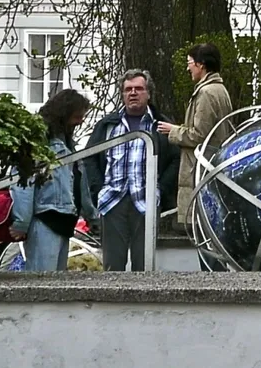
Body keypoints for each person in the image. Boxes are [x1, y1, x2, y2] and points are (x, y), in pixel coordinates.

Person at [82, 69, 178, 271]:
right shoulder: (107, 125)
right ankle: (112, 303)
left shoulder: (161, 125)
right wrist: (99, 190)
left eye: (139, 89)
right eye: (128, 89)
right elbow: (89, 158)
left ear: (148, 93)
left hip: (146, 203)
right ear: (122, 94)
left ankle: (141, 303)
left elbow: (176, 160)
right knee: (112, 267)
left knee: (144, 267)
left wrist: (161, 190)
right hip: (112, 202)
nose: (133, 93)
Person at [10, 89, 91, 273]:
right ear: (65, 112)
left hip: (63, 219)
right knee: (41, 280)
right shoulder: (39, 140)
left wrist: (90, 214)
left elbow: (78, 180)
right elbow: (23, 181)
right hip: (45, 218)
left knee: (55, 283)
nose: (81, 121)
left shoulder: (66, 142)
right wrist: (21, 222)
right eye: (78, 115)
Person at [156, 43, 234, 226]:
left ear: (201, 64)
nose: (187, 67)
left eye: (190, 62)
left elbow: (199, 135)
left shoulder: (206, 93)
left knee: (200, 227)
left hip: (200, 168)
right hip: (212, 166)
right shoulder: (220, 90)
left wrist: (173, 131)